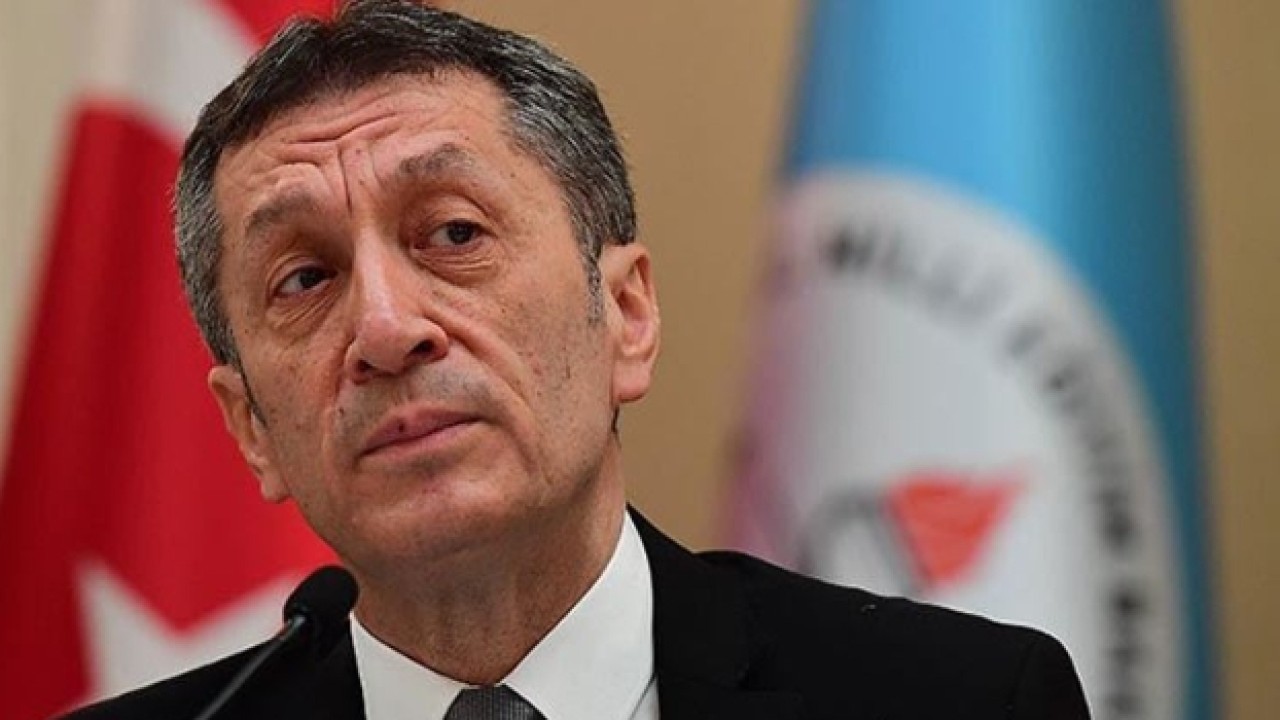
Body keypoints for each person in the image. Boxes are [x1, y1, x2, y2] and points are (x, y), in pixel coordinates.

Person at [65, 2, 1090, 718]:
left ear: (627, 315)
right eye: (304, 278)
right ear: (251, 427)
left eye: (454, 233)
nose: (384, 326)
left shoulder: (959, 700)